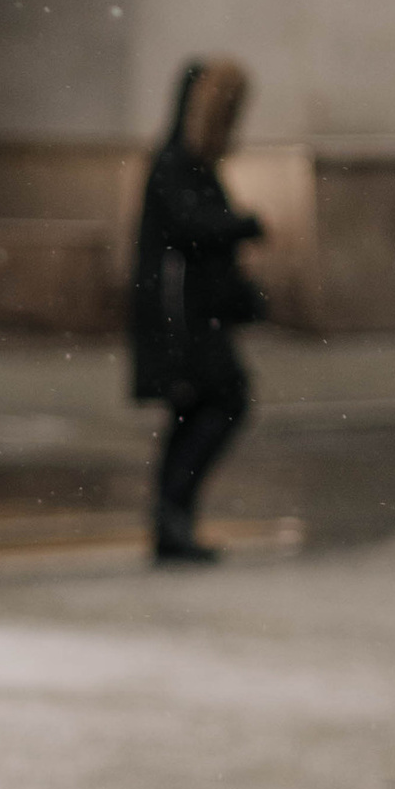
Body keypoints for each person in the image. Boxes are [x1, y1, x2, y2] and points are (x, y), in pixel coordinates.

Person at [129, 55, 266, 565]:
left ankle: (172, 521)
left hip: (191, 318)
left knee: (197, 413)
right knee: (220, 403)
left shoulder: (183, 164)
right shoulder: (175, 166)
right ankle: (171, 520)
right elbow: (193, 231)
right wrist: (242, 226)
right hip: (183, 321)